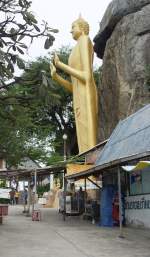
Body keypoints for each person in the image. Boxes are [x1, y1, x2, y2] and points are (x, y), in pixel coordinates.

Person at [50, 15, 98, 153]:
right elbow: (74, 88)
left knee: (90, 144)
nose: (71, 31)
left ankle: (92, 171)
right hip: (79, 98)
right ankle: (85, 171)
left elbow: (87, 77)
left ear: (82, 28)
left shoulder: (84, 40)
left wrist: (61, 65)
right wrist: (56, 77)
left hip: (87, 96)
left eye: (73, 27)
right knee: (83, 145)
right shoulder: (77, 47)